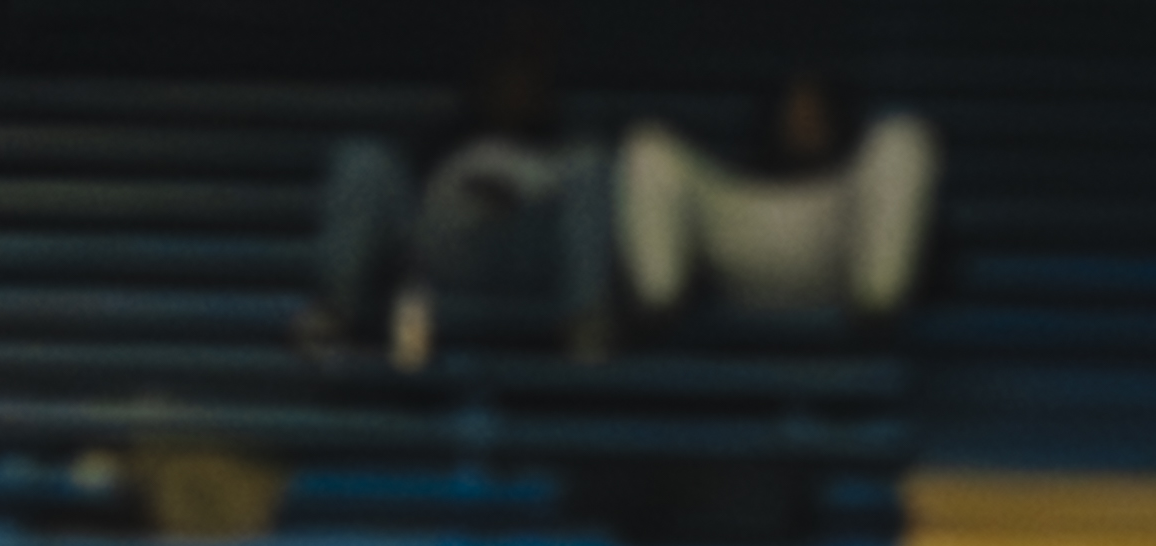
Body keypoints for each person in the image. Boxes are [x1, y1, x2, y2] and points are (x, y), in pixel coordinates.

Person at [306, 50, 608, 368]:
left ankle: (586, 325)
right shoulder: (443, 133)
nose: (515, 89)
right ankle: (333, 313)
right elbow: (409, 209)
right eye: (505, 77)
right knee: (362, 159)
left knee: (590, 164)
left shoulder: (565, 144)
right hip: (440, 263)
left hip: (524, 258)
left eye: (525, 79)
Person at [612, 66, 935, 327]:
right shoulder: (740, 177)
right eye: (795, 107)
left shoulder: (856, 176)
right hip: (746, 237)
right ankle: (658, 303)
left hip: (835, 251)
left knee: (903, 134)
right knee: (648, 144)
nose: (804, 119)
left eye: (814, 109)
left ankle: (878, 304)